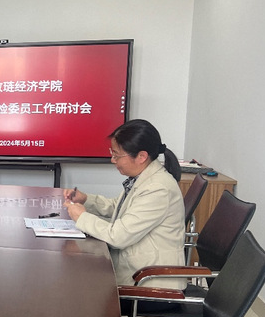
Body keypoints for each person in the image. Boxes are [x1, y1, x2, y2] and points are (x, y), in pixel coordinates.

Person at [64, 119, 185, 286]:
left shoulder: (158, 188)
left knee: (75, 282)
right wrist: (86, 199)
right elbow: (119, 207)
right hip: (135, 270)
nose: (112, 160)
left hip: (150, 282)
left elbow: (118, 236)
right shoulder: (144, 177)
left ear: (141, 156)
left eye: (117, 155)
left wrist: (82, 217)